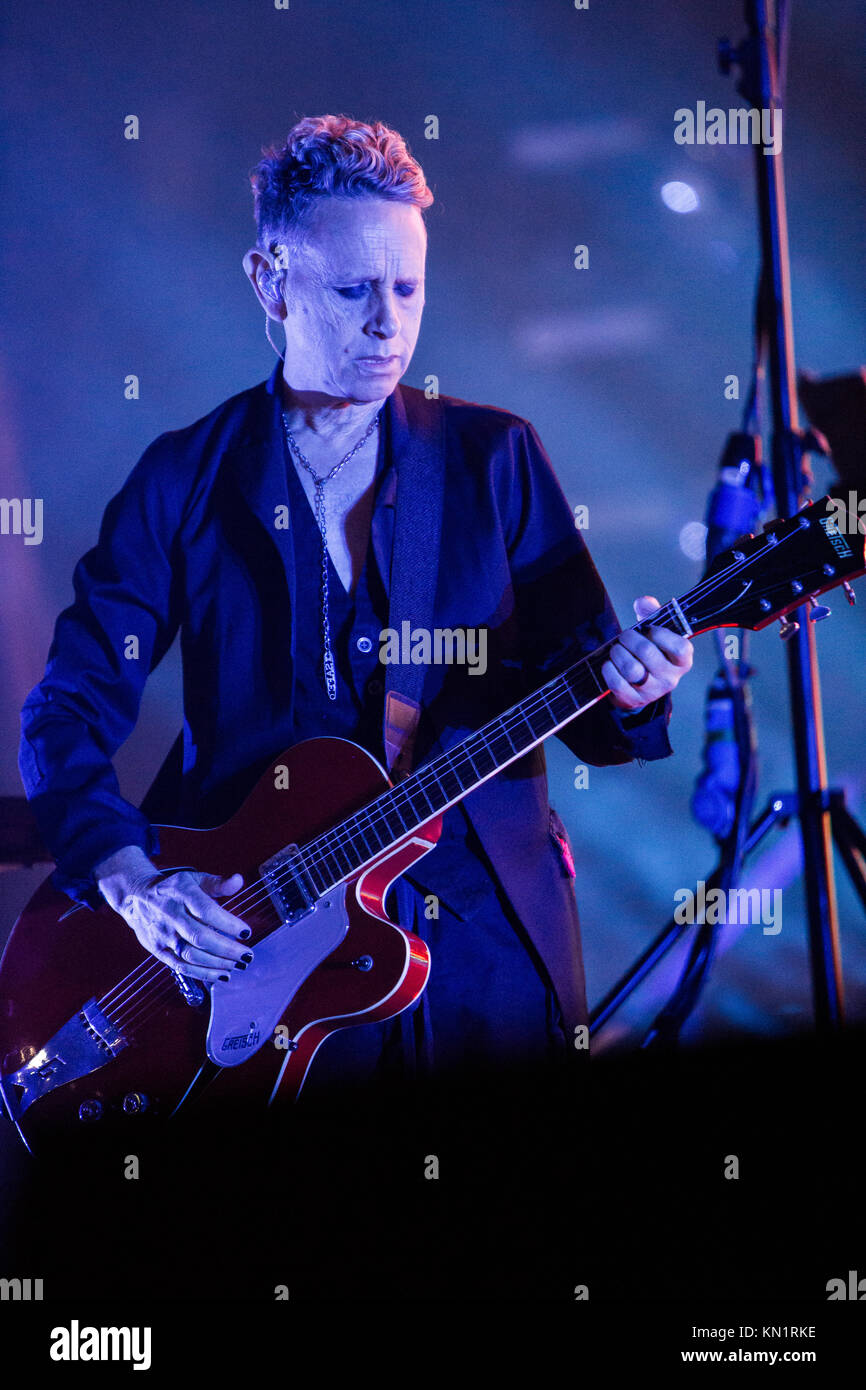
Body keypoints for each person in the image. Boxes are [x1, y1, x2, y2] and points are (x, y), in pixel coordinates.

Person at [18, 114, 693, 1094]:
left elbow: (597, 709)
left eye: (408, 288)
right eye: (352, 290)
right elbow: (65, 710)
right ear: (269, 280)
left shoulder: (492, 457)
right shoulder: (183, 479)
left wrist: (635, 689)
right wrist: (132, 886)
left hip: (482, 953)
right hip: (264, 973)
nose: (388, 325)